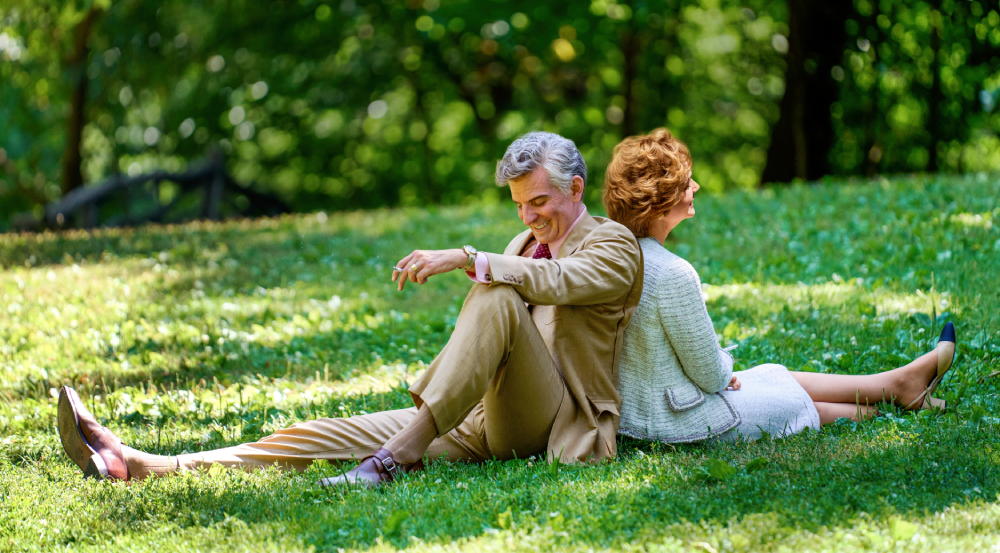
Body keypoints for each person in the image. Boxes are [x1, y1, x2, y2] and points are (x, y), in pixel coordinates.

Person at [58, 132, 643, 486]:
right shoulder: (520, 245)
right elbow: (513, 297)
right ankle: (139, 464)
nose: (528, 218)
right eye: (518, 205)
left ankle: (398, 457)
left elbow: (562, 281)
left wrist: (468, 257)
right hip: (474, 419)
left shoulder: (611, 243)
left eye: (539, 201)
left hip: (549, 422)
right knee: (323, 434)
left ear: (577, 187)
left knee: (493, 290)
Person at [602, 128, 957, 443]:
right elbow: (710, 375)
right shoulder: (673, 273)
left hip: (638, 413)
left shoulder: (615, 257)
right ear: (661, 203)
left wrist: (724, 373)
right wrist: (725, 370)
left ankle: (898, 384)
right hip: (677, 421)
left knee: (773, 375)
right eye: (686, 183)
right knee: (786, 399)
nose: (695, 188)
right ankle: (890, 399)